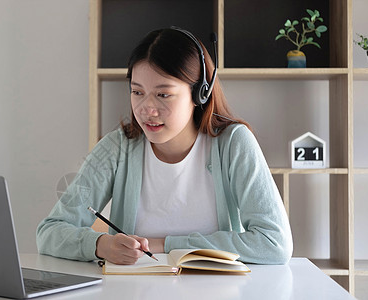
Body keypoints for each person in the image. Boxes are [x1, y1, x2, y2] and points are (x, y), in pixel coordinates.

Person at [36, 28, 292, 265]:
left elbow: (274, 243)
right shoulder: (117, 147)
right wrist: (100, 244)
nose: (147, 108)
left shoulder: (234, 144)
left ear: (199, 94)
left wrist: (165, 245)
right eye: (137, 92)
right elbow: (50, 231)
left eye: (163, 94)